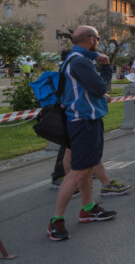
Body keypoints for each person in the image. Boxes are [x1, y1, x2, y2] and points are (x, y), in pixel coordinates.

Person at [47, 26, 117, 241]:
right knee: (77, 172)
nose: (99, 42)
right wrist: (107, 67)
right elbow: (100, 87)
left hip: (83, 120)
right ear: (91, 39)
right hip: (83, 122)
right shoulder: (80, 61)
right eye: (98, 38)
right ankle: (56, 220)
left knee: (86, 168)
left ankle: (88, 208)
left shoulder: (74, 59)